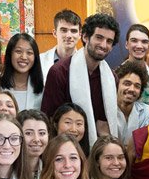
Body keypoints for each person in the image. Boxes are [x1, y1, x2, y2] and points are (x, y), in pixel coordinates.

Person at [41, 13, 120, 150]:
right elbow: (50, 120)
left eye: (109, 41)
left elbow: (103, 124)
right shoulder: (59, 72)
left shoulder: (111, 78)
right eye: (99, 38)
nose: (103, 45)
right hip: (63, 148)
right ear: (85, 37)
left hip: (95, 151)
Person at [0, 33, 44, 110]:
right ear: (10, 54)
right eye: (18, 51)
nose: (23, 57)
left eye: (29, 53)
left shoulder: (43, 88)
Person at [114, 60, 149, 144]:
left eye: (137, 86)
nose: (132, 89)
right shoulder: (105, 111)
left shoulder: (147, 113)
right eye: (127, 84)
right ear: (116, 84)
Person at [39, 9, 82, 82]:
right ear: (55, 33)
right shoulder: (39, 61)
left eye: (73, 31)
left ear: (79, 35)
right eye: (64, 30)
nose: (69, 35)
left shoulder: (86, 63)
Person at [122, 24, 149, 104]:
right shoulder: (114, 77)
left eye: (144, 42)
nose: (139, 46)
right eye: (134, 40)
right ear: (126, 44)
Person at [16, 109, 50, 179]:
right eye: (29, 133)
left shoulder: (51, 170)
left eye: (42, 133)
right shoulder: (5, 170)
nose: (36, 139)